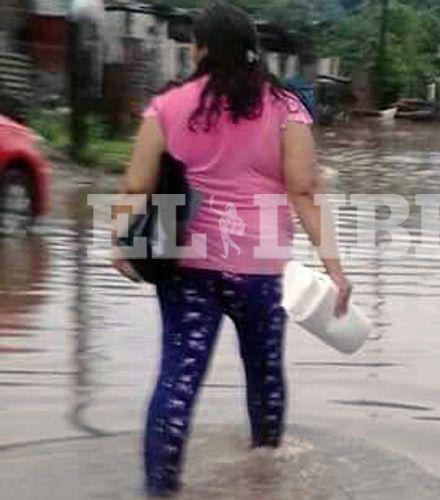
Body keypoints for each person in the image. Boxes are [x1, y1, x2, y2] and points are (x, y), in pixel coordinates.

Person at [111, 3, 352, 496]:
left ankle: (159, 489)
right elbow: (304, 189)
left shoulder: (167, 105)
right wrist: (334, 267)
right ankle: (266, 477)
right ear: (252, 52)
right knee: (265, 373)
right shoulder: (286, 109)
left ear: (198, 49)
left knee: (178, 378)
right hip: (259, 270)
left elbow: (136, 184)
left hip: (185, 266)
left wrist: (121, 243)